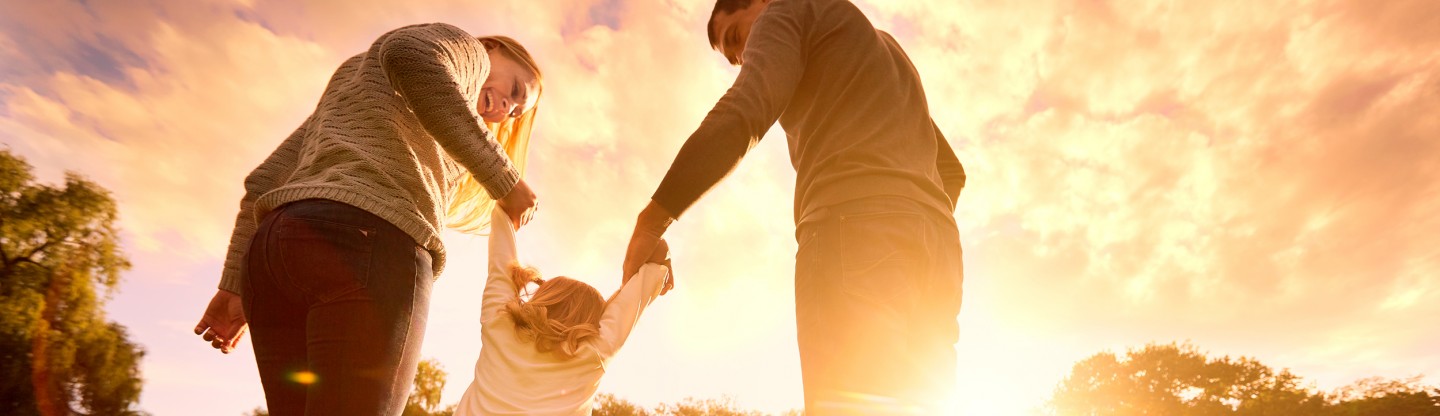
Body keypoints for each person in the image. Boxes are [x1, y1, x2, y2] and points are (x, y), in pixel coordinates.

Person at [620, 0, 966, 414]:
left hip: (851, 229)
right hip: (940, 251)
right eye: (734, 59)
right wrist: (912, 222)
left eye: (736, 38)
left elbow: (747, 109)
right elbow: (951, 170)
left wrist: (651, 223)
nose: (744, 57)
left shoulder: (785, 10)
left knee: (847, 406)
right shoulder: (882, 47)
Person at [190, 23, 545, 415]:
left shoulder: (358, 78)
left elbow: (265, 182)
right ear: (492, 48)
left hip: (273, 257)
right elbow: (410, 53)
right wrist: (504, 179)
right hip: (369, 243)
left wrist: (234, 286)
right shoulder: (467, 52)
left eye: (513, 112)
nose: (503, 111)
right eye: (514, 91)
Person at [454, 208, 671, 416]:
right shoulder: (594, 350)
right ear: (597, 320)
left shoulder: (499, 321)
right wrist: (642, 276)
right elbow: (657, 252)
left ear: (543, 298)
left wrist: (508, 206)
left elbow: (501, 258)